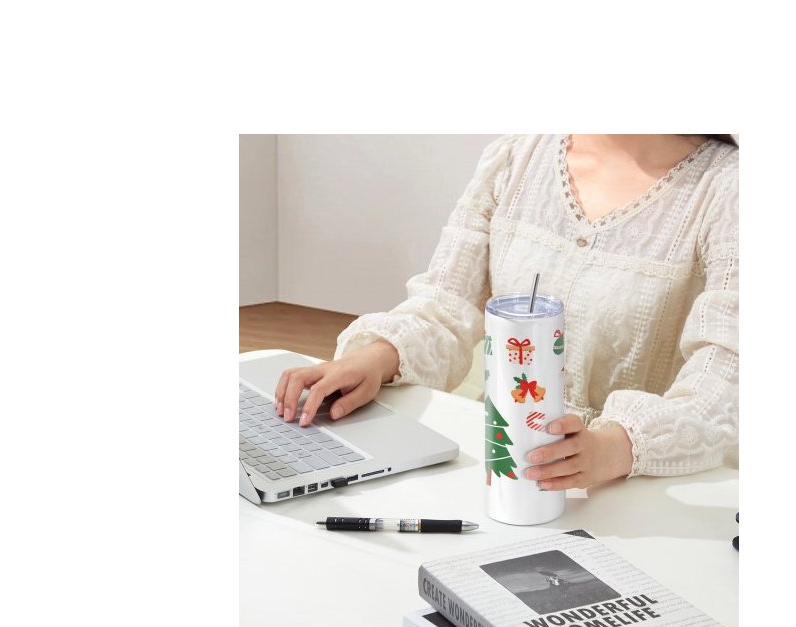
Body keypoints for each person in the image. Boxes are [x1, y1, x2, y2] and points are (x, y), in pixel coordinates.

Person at [275, 134, 738, 490]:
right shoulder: (516, 156)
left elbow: (726, 379)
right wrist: (374, 358)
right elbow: (445, 301)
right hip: (498, 467)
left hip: (636, 493)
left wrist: (615, 446)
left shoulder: (729, 189)